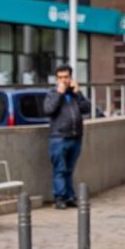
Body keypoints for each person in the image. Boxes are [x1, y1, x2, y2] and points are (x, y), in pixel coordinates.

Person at [43, 65, 91, 209]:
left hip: (75, 137)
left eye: (66, 77)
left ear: (71, 78)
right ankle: (60, 198)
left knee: (69, 170)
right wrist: (59, 93)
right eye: (60, 78)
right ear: (56, 79)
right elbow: (48, 110)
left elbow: (87, 109)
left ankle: (70, 197)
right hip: (59, 137)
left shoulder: (75, 94)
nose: (63, 80)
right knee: (60, 169)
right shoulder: (52, 93)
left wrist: (78, 93)